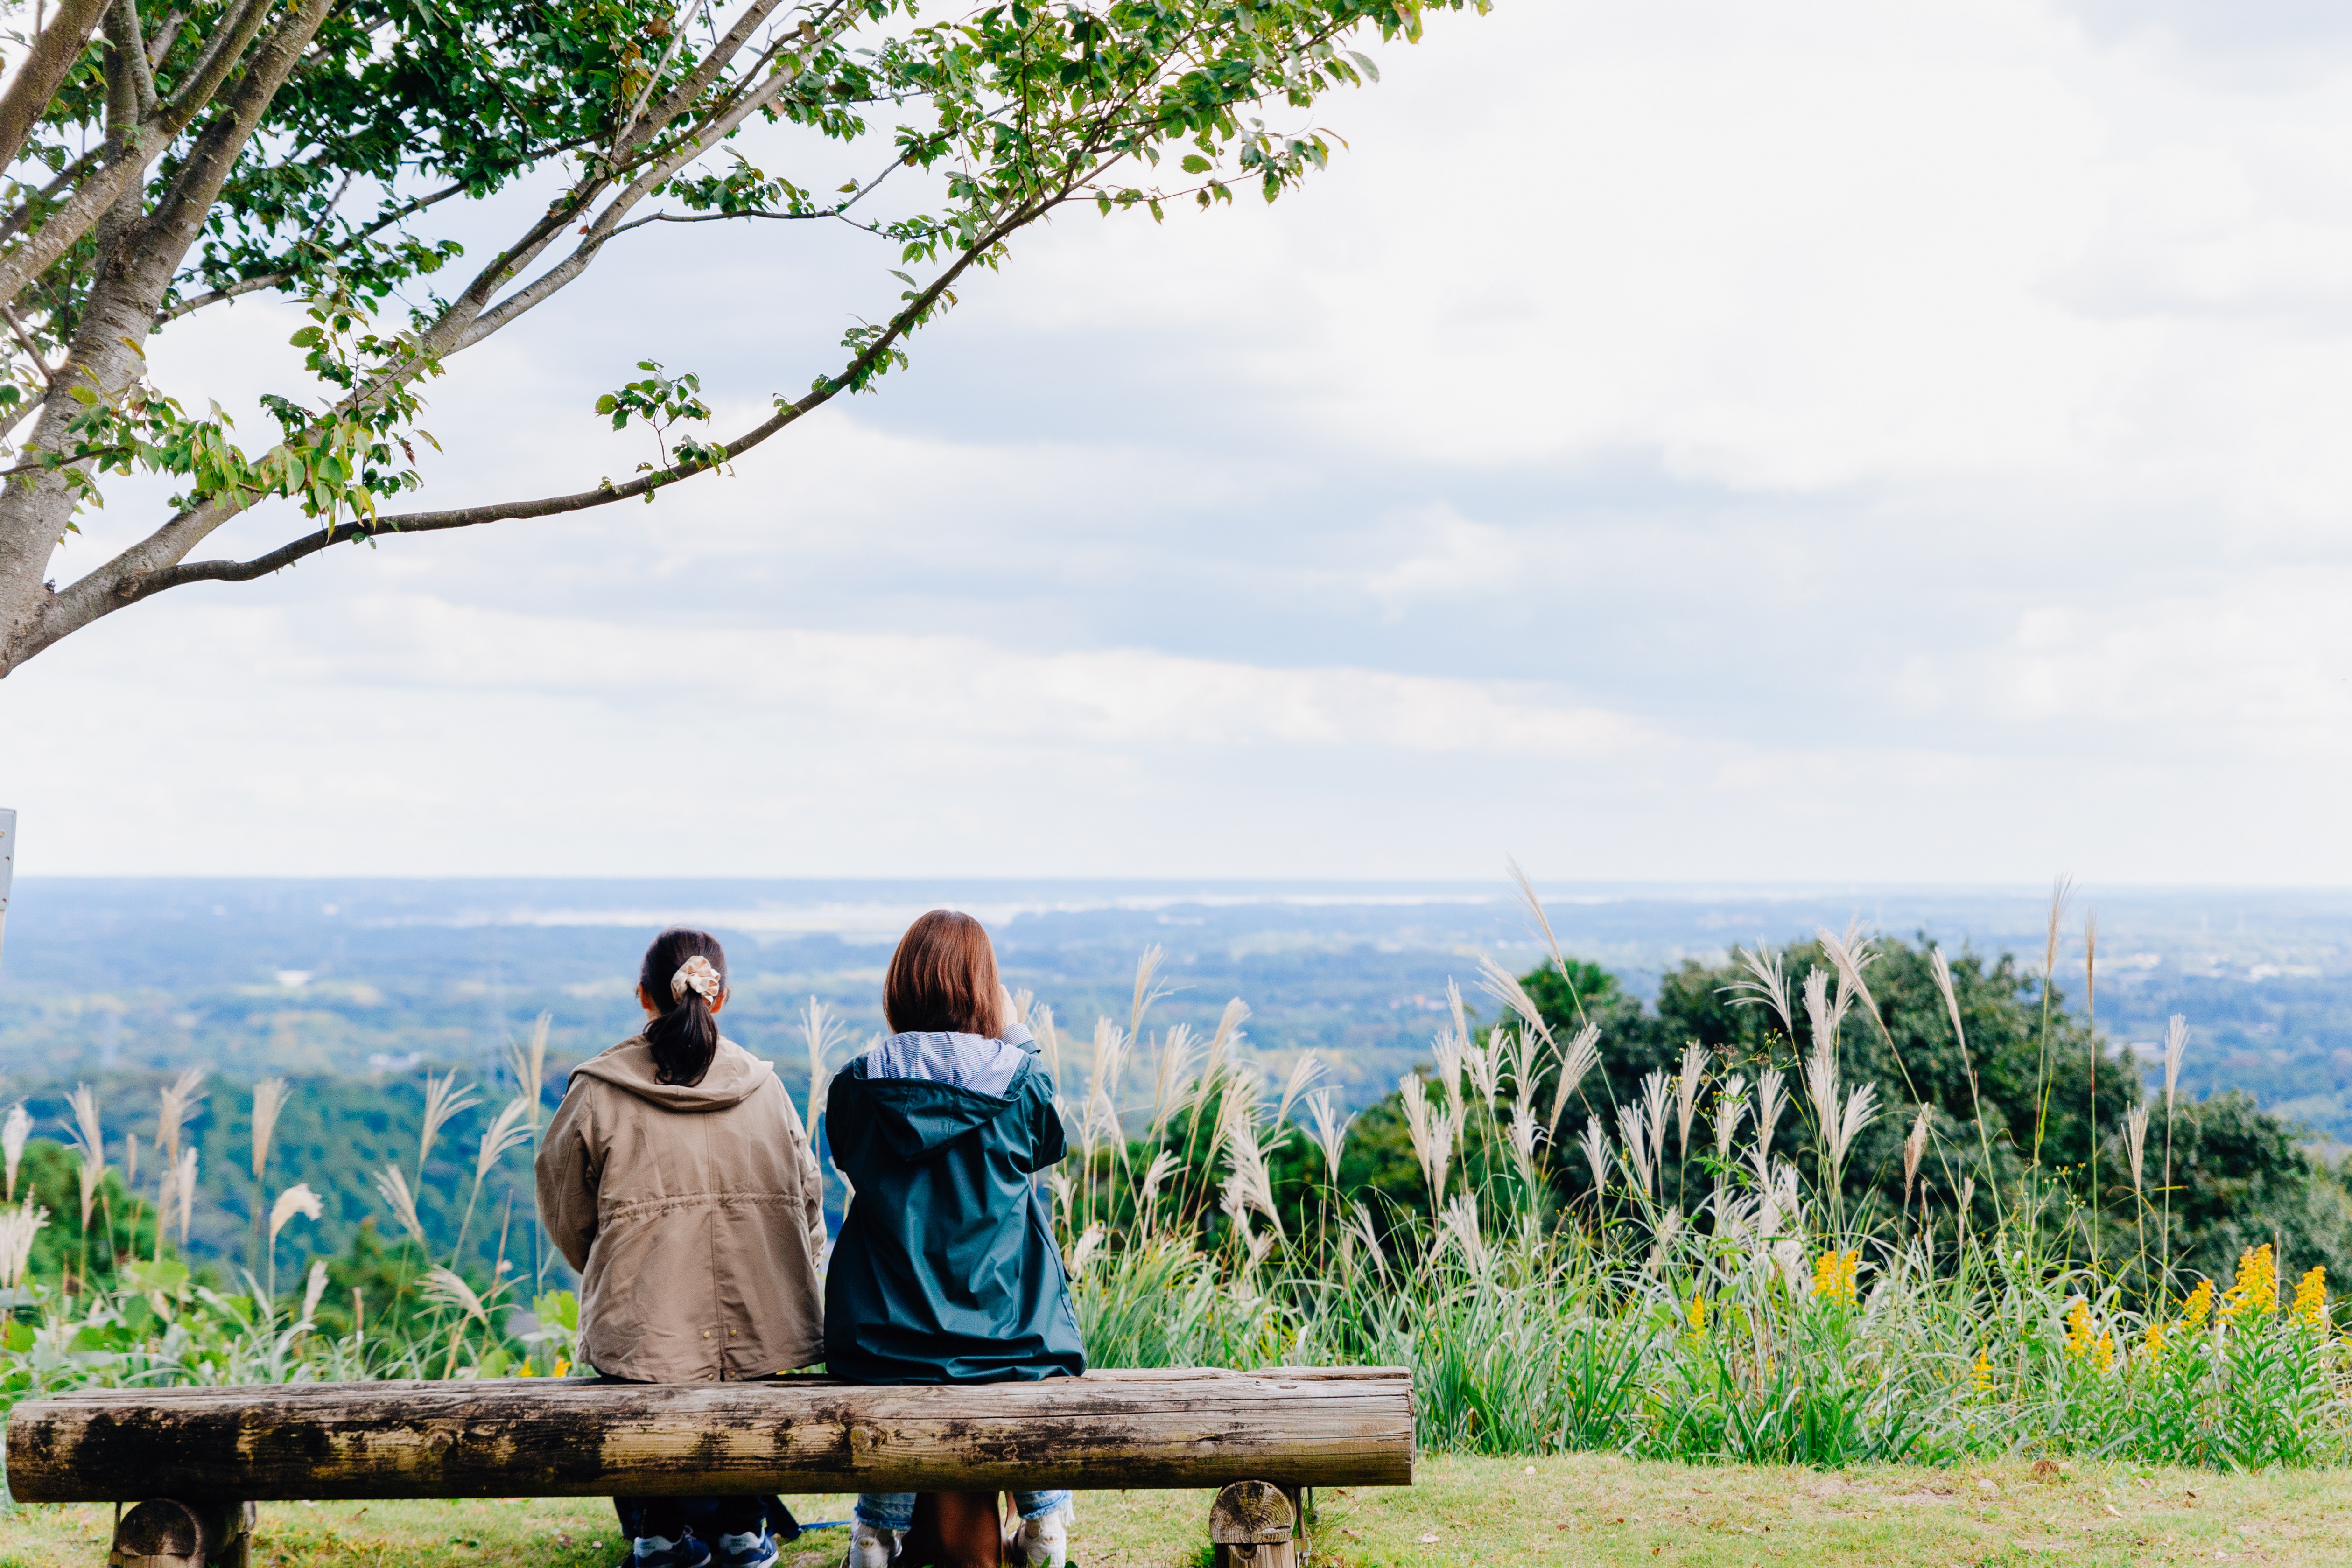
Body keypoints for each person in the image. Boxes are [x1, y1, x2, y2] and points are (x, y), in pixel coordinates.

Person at [537, 927, 828, 1568]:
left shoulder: (598, 1091)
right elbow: (809, 1203)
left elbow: (566, 1213)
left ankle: (660, 1533)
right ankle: (742, 1531)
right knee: (752, 1371)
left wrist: (620, 1269)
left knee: (646, 1377)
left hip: (642, 1322)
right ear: (719, 998)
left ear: (643, 996)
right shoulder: (766, 1089)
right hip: (765, 1317)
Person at [824, 909, 1084, 1568]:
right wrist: (1017, 1030)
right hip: (1004, 1339)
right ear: (984, 993)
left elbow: (846, 1154)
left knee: (893, 1379)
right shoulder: (1021, 1085)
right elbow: (1050, 1140)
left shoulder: (856, 1087)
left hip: (882, 1337)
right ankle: (1045, 1518)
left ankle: (878, 1530)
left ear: (898, 989)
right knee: (1034, 1360)